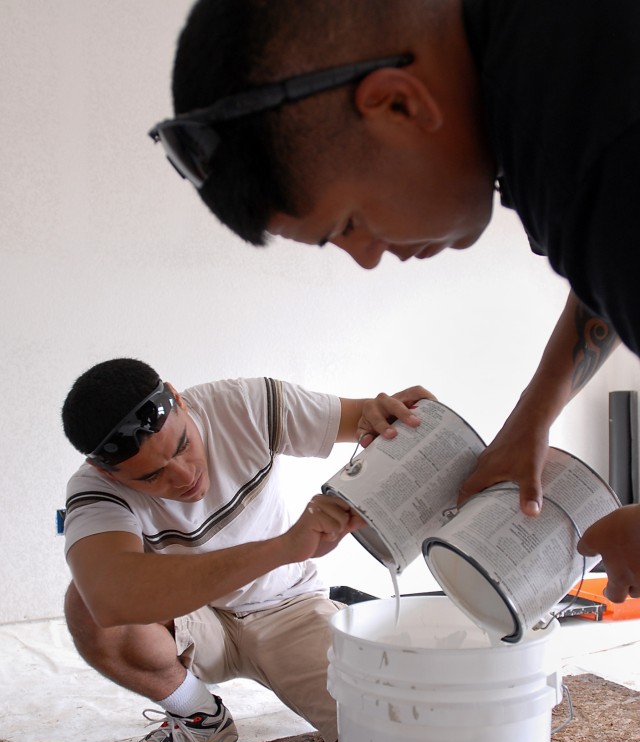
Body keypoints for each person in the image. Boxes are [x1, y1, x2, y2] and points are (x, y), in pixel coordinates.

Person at [148, 0, 640, 603]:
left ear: (397, 104)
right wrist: (531, 418)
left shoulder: (597, 146)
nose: (366, 257)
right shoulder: (534, 64)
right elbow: (608, 266)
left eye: (349, 223)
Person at [62, 357, 431, 742]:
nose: (185, 477)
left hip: (287, 606)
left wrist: (397, 418)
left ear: (178, 399)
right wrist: (282, 549)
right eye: (153, 476)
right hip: (196, 618)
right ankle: (200, 718)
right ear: (105, 471)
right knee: (86, 604)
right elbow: (109, 599)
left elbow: (364, 418)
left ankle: (337, 621)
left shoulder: (244, 404)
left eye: (183, 445)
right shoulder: (94, 489)